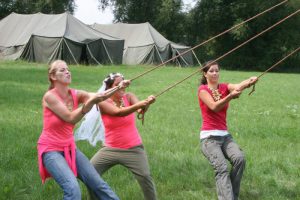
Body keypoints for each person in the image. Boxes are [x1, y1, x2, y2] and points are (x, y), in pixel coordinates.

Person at [37, 60, 129, 200]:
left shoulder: (76, 94)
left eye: (68, 69)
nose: (67, 71)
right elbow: (70, 118)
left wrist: (118, 87)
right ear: (53, 77)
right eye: (62, 70)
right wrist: (88, 104)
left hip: (69, 147)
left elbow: (101, 96)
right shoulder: (50, 97)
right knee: (72, 189)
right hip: (50, 150)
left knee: (98, 184)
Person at [85, 72, 157, 200]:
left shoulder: (129, 97)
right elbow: (118, 113)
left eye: (123, 84)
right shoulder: (102, 102)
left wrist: (147, 104)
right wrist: (140, 104)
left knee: (145, 177)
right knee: (90, 175)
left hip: (133, 149)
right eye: (118, 85)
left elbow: (140, 110)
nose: (122, 87)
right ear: (109, 88)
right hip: (110, 149)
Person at [197, 61, 258, 200]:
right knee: (221, 168)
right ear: (205, 73)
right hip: (209, 138)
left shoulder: (224, 87)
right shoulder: (202, 90)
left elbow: (238, 86)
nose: (215, 73)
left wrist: (250, 81)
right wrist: (230, 96)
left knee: (239, 159)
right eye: (211, 71)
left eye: (217, 70)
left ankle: (231, 196)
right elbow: (214, 107)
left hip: (225, 136)